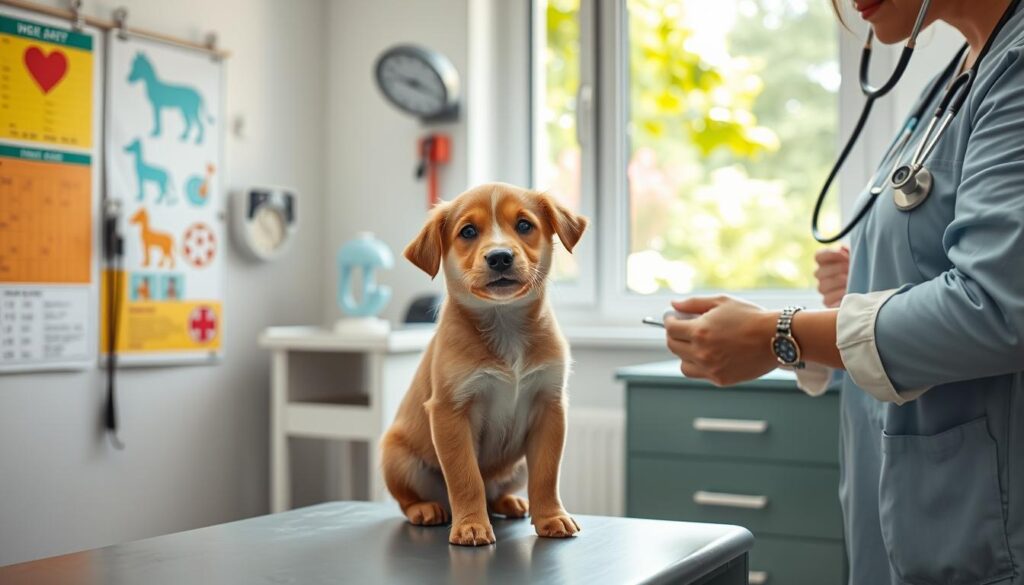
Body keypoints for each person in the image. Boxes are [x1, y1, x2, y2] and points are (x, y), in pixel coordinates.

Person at [664, 1, 1024, 583]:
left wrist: (780, 335)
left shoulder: (1016, 68)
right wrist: (868, 275)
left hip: (984, 532)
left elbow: (996, 308)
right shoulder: (956, 74)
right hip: (905, 515)